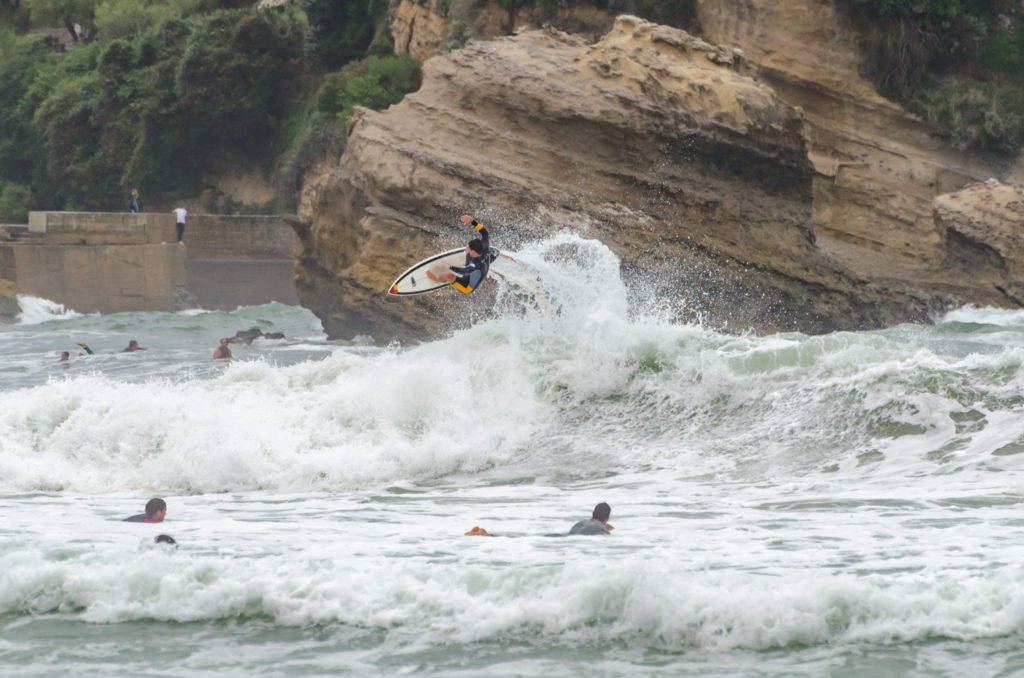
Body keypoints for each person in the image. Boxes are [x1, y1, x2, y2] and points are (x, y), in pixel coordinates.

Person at [425, 214, 493, 293]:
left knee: (447, 275)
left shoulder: (474, 265)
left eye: (470, 249)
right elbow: (485, 234)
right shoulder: (484, 246)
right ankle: (490, 258)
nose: (467, 248)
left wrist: (450, 267)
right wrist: (472, 221)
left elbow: (464, 271)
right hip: (479, 268)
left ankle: (437, 280)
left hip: (467, 285)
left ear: (473, 252)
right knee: (468, 252)